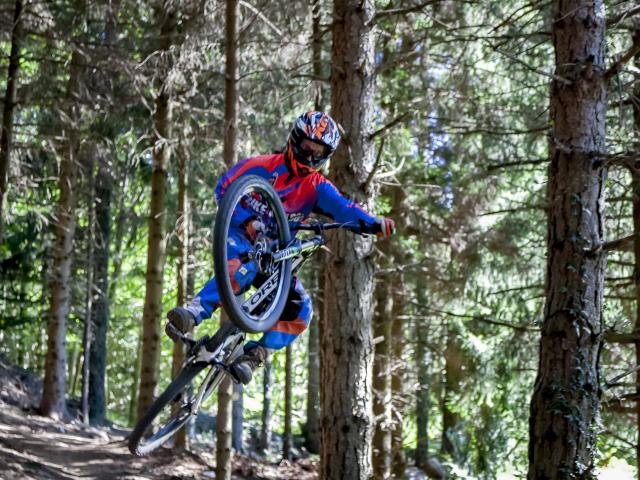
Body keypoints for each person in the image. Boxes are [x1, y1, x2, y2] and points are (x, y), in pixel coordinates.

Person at [165, 111, 395, 384]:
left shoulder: (317, 188)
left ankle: (254, 356)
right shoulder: (261, 166)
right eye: (306, 148)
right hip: (239, 237)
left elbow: (345, 209)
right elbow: (225, 185)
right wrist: (248, 219)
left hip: (275, 256)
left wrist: (374, 223)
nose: (309, 157)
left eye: (317, 153)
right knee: (241, 270)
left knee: (302, 312)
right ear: (293, 141)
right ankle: (193, 313)